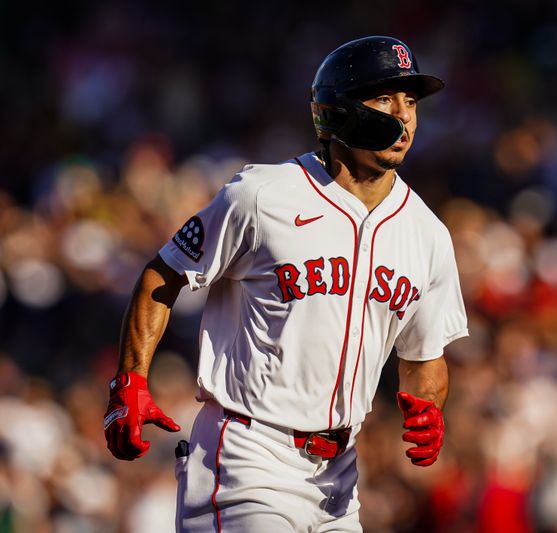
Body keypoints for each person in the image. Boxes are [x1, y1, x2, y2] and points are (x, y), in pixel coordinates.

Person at [103, 35, 468, 532]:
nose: (404, 115)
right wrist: (131, 379)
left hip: (339, 479)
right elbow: (163, 275)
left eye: (411, 101)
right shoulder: (262, 195)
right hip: (247, 456)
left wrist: (429, 407)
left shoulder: (428, 234)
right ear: (337, 111)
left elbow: (424, 358)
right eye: (385, 97)